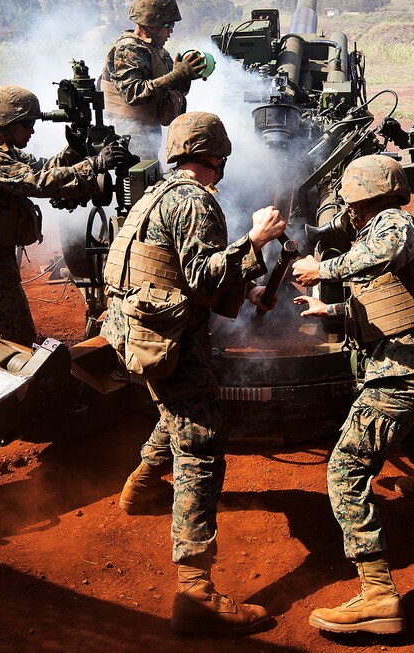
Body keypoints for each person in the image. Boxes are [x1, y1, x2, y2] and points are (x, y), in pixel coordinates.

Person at [101, 111, 285, 634]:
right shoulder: (195, 201)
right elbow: (203, 274)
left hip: (137, 334)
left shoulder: (158, 195)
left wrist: (246, 288)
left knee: (181, 406)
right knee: (200, 439)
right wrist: (254, 243)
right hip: (166, 339)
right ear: (216, 156)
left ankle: (139, 489)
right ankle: (195, 592)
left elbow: (178, 268)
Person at [290, 155, 414, 635]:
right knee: (402, 426)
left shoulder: (394, 224)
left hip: (411, 365)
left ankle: (379, 596)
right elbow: (395, 301)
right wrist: (331, 307)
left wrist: (323, 267)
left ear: (359, 199)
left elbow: (379, 258)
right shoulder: (385, 227)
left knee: (346, 465)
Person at [0, 84, 132, 347]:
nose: (32, 131)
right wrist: (95, 164)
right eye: (27, 124)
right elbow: (37, 182)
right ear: (8, 123)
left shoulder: (3, 151)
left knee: (17, 335)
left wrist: (74, 152)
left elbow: (43, 166)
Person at [100, 0, 207, 159]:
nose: (171, 32)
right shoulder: (128, 49)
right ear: (151, 24)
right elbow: (133, 93)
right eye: (168, 26)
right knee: (139, 182)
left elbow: (170, 89)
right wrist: (176, 76)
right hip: (128, 137)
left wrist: (185, 75)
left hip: (146, 133)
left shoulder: (155, 49)